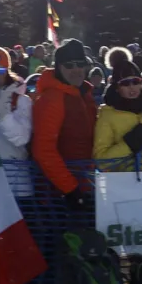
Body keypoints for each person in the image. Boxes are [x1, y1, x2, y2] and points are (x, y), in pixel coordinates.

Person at [31, 39, 97, 210]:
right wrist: (70, 188)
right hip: (59, 194)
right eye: (69, 65)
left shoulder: (83, 93)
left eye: (80, 64)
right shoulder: (53, 98)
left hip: (85, 183)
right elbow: (43, 149)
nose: (76, 70)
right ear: (58, 67)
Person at [93, 58, 142, 170]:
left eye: (136, 81)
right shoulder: (107, 115)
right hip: (123, 183)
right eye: (125, 83)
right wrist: (128, 145)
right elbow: (101, 161)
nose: (132, 87)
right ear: (117, 87)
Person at [0, 47, 33, 196]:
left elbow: (22, 138)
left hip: (15, 186)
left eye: (0, 71)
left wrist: (2, 114)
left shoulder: (21, 101)